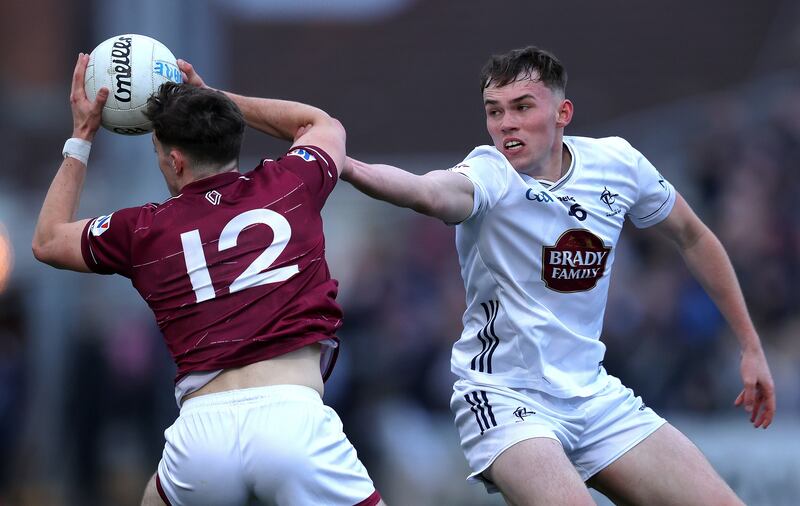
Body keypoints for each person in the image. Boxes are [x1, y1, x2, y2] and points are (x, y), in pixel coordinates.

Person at [342, 46, 775, 505]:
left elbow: (693, 236)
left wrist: (750, 345)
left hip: (593, 395)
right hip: (506, 399)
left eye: (522, 107)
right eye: (495, 111)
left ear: (562, 112)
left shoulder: (617, 165)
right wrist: (346, 166)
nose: (506, 123)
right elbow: (425, 192)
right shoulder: (490, 174)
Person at [32, 53, 384, 506]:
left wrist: (81, 136)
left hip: (201, 436)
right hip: (293, 420)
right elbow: (319, 123)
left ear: (175, 161)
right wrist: (219, 99)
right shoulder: (293, 183)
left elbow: (47, 240)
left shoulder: (141, 230)